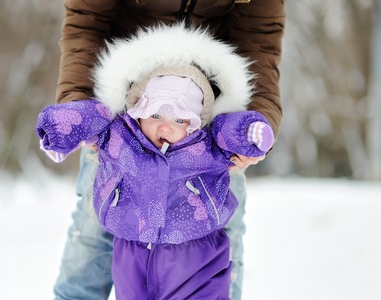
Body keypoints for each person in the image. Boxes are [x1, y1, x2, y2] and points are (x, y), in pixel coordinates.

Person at [51, 1, 285, 299]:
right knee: (92, 233)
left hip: (208, 125)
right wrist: (79, 109)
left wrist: (253, 126)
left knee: (224, 233)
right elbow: (87, 21)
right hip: (124, 116)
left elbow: (259, 40)